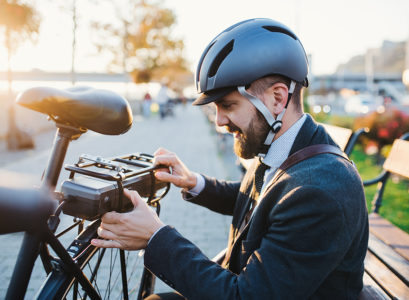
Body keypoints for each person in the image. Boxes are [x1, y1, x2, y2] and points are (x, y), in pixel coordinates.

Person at [91, 18, 368, 299]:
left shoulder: (319, 191)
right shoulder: (288, 148)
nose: (219, 121)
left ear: (277, 99)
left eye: (228, 105)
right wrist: (193, 182)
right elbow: (261, 199)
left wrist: (155, 237)